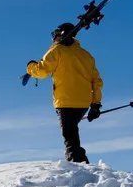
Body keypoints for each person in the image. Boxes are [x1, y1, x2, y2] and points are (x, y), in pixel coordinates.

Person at [26, 22, 103, 164]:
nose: (53, 38)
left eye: (55, 34)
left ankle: (78, 163)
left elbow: (42, 71)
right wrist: (96, 105)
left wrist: (30, 67)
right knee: (71, 131)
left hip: (65, 101)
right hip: (84, 102)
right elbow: (96, 81)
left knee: (69, 135)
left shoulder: (56, 51)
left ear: (60, 34)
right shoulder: (86, 55)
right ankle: (77, 161)